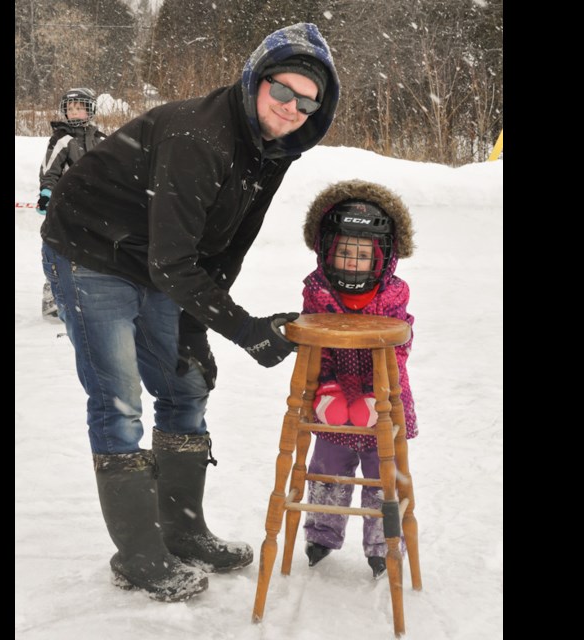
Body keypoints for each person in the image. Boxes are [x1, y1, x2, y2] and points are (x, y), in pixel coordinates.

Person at [40, 23, 340, 602]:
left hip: (154, 255)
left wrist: (196, 327)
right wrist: (247, 331)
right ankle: (137, 555)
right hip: (92, 250)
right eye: (284, 92)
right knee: (120, 397)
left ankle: (182, 528)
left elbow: (224, 247)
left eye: (308, 102)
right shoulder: (199, 136)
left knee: (185, 386)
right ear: (256, 80)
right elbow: (176, 263)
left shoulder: (270, 146)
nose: (293, 108)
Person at [298, 180, 417, 580]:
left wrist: (372, 393)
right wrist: (329, 385)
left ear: (381, 257)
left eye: (363, 255)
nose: (352, 262)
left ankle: (383, 545)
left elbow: (397, 345)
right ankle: (321, 534)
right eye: (345, 252)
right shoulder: (317, 290)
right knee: (328, 466)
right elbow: (318, 344)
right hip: (332, 392)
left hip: (380, 395)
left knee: (382, 475)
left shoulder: (392, 294)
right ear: (328, 250)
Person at [36, 87, 106, 320]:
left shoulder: (101, 139)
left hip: (95, 207)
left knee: (94, 248)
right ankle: (52, 293)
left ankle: (90, 291)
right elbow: (50, 169)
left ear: (90, 110)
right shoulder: (62, 138)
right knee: (63, 248)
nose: (74, 113)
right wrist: (46, 193)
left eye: (80, 108)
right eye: (70, 108)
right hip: (66, 204)